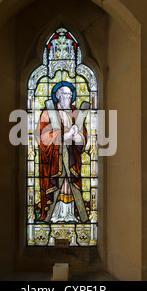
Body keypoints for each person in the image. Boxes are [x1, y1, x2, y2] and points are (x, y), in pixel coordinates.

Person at [35, 82, 90, 223]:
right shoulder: (47, 113)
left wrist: (77, 136)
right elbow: (42, 137)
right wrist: (65, 135)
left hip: (71, 159)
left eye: (70, 95)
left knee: (70, 186)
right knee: (56, 185)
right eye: (65, 94)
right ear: (58, 96)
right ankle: (53, 215)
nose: (68, 98)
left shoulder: (75, 114)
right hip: (53, 160)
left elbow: (82, 137)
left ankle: (70, 214)